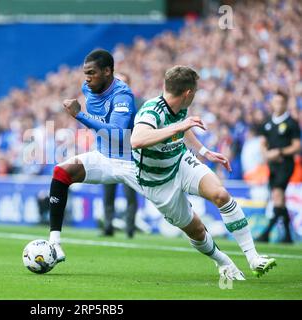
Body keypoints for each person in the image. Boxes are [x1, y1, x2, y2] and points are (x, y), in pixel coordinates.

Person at [130, 65, 276, 279]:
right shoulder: (151, 111)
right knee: (197, 231)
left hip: (180, 161)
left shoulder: (180, 106)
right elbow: (137, 140)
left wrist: (205, 151)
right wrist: (180, 127)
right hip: (156, 181)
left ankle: (254, 258)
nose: (195, 95)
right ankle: (223, 261)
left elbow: (183, 127)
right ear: (188, 93)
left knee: (221, 195)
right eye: (195, 92)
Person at [48, 49, 143, 262]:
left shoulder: (123, 96)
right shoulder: (87, 88)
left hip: (131, 161)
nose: (87, 79)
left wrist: (79, 115)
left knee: (179, 217)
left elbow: (118, 135)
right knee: (61, 172)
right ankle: (54, 244)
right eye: (85, 73)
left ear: (108, 71)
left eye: (92, 73)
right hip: (103, 157)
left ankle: (222, 258)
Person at [256, 91, 301, 243]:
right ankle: (287, 236)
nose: (278, 105)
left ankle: (266, 233)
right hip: (272, 166)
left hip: (285, 164)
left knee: (277, 195)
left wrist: (280, 151)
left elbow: (297, 146)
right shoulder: (267, 122)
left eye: (281, 102)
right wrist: (266, 154)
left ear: (285, 103)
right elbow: (262, 142)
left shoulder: (291, 123)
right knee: (279, 199)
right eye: (275, 102)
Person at [102, 72, 138, 238]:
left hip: (129, 156)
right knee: (108, 193)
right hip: (110, 155)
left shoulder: (137, 104)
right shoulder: (107, 104)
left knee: (130, 194)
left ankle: (129, 229)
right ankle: (108, 227)